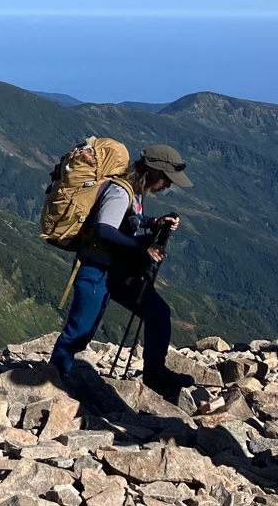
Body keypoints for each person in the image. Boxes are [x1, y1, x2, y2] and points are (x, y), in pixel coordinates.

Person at [50, 144, 193, 402]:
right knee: (79, 333)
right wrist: (143, 245)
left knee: (158, 313)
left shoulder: (133, 192)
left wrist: (155, 222)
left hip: (116, 270)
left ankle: (155, 375)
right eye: (166, 179)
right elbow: (105, 229)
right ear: (152, 171)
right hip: (96, 270)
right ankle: (53, 383)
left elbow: (129, 220)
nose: (167, 186)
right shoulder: (120, 191)